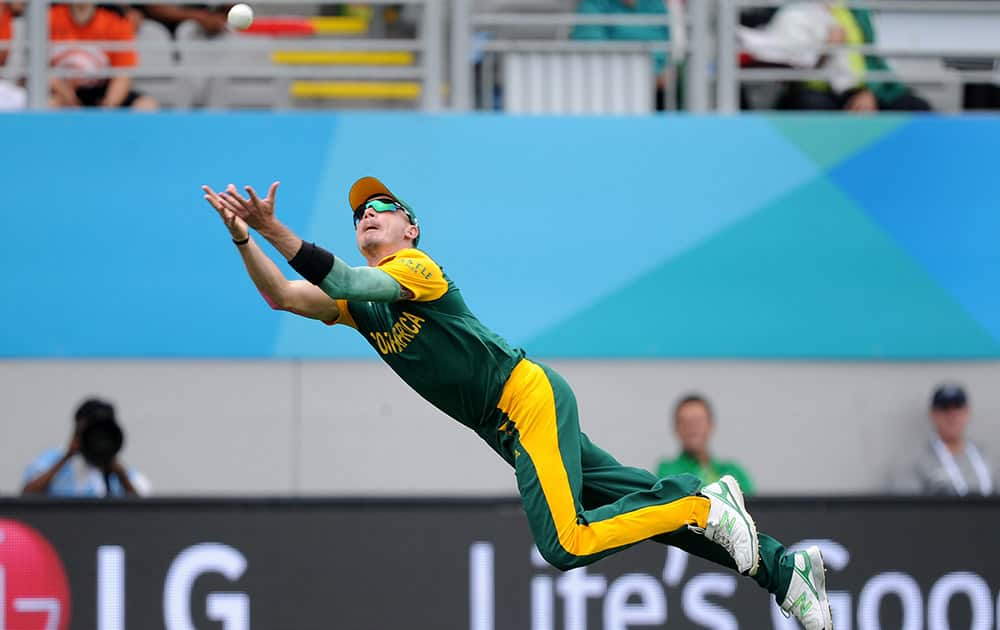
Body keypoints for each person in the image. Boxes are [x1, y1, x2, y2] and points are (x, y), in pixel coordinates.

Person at [202, 177, 834, 630]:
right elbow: (284, 296)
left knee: (568, 544)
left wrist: (273, 228)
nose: (367, 213)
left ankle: (700, 500)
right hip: (510, 425)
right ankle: (783, 570)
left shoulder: (417, 268)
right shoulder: (360, 308)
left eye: (382, 206)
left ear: (409, 228)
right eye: (359, 212)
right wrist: (242, 241)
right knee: (627, 502)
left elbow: (338, 278)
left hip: (524, 399)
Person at [740, 1, 931, 113]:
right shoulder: (793, 14)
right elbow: (789, 67)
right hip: (814, 88)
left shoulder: (855, 12)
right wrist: (826, 49)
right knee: (813, 108)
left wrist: (870, 92)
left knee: (916, 107)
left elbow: (873, 61)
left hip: (859, 88)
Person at [22, 397, 151, 497]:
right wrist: (66, 457)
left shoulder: (122, 473)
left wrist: (120, 475)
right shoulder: (50, 461)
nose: (97, 440)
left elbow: (144, 513)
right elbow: (26, 497)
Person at [888, 384, 996, 496]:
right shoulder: (917, 461)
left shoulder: (986, 456)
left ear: (967, 412)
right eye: (944, 409)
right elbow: (907, 507)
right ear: (933, 414)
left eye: (957, 408)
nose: (952, 416)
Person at [48, 3, 159, 110]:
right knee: (48, 105)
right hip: (62, 90)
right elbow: (38, 67)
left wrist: (109, 105)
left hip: (103, 90)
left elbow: (123, 73)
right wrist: (66, 95)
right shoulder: (48, 17)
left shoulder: (116, 20)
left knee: (147, 105)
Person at [570, 0, 672, 110]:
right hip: (606, 93)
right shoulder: (592, 4)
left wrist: (653, 73)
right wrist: (639, 76)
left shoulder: (655, 4)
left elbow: (662, 49)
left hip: (650, 90)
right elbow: (593, 53)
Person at [655, 394, 755, 494]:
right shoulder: (667, 473)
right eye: (685, 422)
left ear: (711, 425)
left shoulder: (733, 472)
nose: (692, 427)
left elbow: (754, 507)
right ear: (676, 428)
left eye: (698, 421)